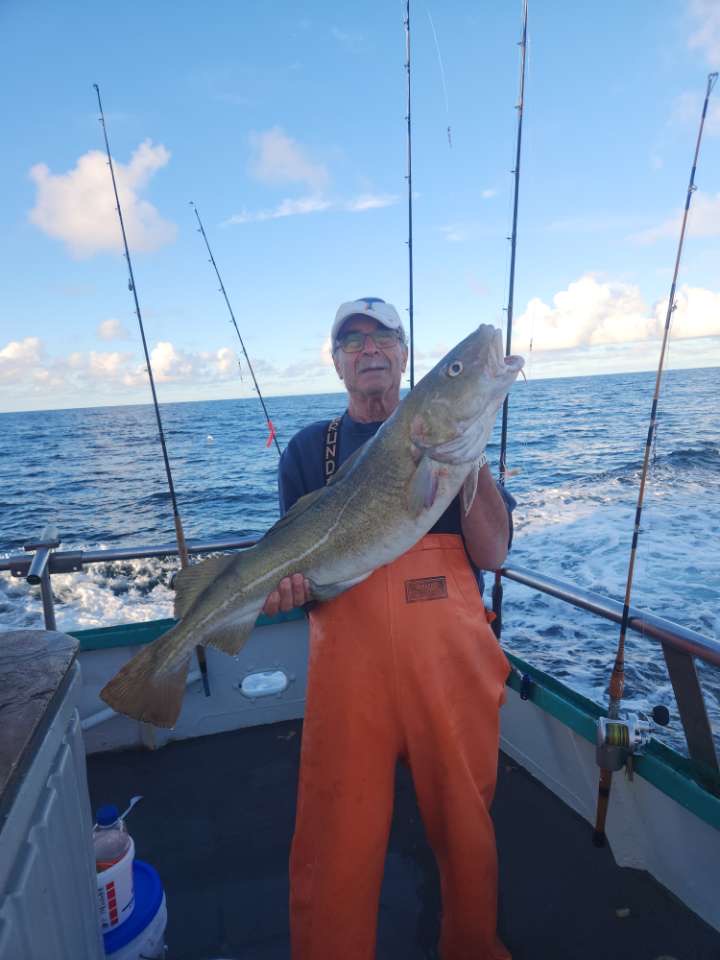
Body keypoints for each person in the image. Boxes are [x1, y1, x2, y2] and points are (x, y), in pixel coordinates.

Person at [263, 297, 514, 960]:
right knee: (334, 840)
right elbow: (304, 578)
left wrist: (468, 457)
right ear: (338, 362)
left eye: (384, 338)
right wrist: (291, 591)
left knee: (467, 831)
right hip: (353, 681)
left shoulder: (458, 450)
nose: (369, 349)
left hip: (449, 671)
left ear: (406, 356)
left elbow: (493, 553)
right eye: (353, 341)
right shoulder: (305, 451)